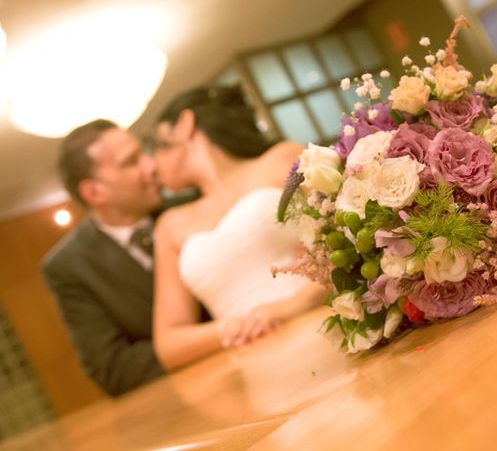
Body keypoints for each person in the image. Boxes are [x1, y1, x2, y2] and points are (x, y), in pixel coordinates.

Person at [152, 86, 325, 371]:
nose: (152, 163)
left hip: (321, 325)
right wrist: (231, 328)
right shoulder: (170, 226)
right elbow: (169, 344)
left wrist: (288, 307)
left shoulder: (281, 160)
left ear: (185, 125)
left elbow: (350, 246)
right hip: (251, 366)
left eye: (157, 146)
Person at [41, 119, 166, 396]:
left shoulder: (189, 210)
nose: (152, 165)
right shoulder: (68, 266)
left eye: (143, 152)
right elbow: (113, 367)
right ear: (94, 192)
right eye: (131, 161)